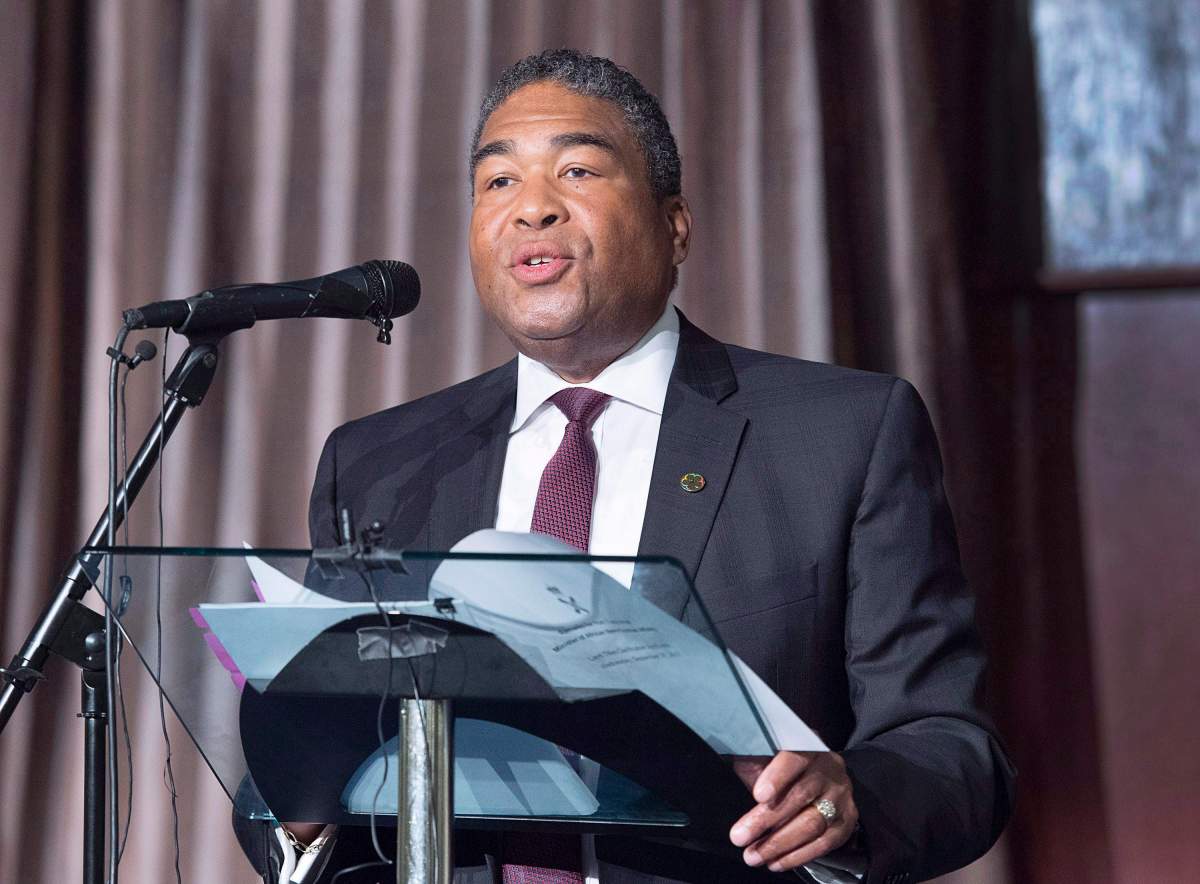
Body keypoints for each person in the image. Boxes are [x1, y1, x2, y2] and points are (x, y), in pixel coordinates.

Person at [237, 49, 1014, 883]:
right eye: (498, 182)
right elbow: (321, 754)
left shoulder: (844, 433)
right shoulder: (381, 464)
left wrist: (848, 798)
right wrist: (302, 814)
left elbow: (951, 749)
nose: (532, 207)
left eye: (575, 171)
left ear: (675, 225)